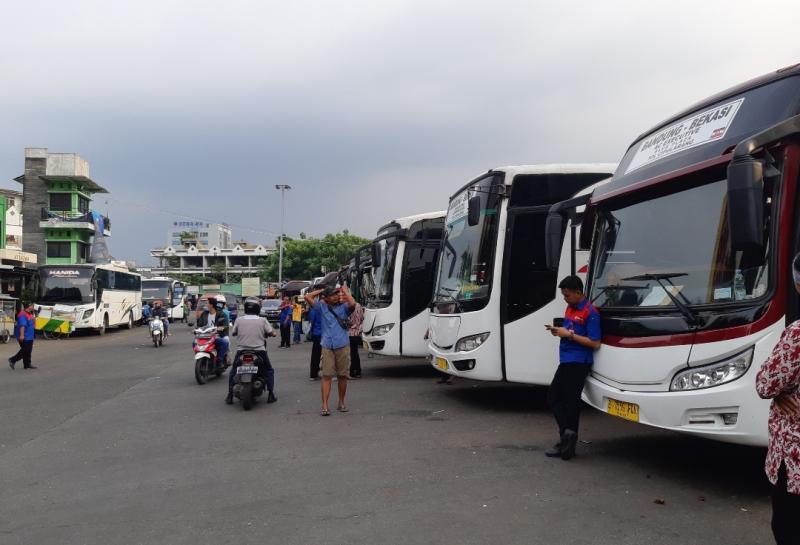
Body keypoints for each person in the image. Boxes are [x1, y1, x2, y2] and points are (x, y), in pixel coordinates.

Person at [756, 253, 800, 545]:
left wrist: (781, 391)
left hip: (794, 458)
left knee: (787, 528)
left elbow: (765, 383)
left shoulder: (797, 334)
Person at [544, 275, 601, 460]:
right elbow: (570, 332)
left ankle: (567, 442)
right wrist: (558, 332)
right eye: (563, 295)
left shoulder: (590, 312)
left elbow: (595, 342)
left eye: (567, 295)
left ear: (578, 293)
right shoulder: (570, 308)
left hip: (579, 362)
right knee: (557, 398)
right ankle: (567, 438)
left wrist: (568, 335)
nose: (565, 298)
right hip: (567, 359)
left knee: (566, 400)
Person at [305, 285, 356, 416]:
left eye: (336, 294)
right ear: (326, 298)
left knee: (342, 376)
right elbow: (307, 296)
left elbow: (353, 303)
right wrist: (322, 291)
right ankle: (325, 405)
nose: (336, 296)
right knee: (327, 376)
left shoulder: (344, 307)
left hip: (342, 344)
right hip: (327, 345)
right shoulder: (321, 307)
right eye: (332, 294)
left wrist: (345, 291)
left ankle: (341, 402)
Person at [227, 297, 277, 405]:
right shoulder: (262, 320)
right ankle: (271, 394)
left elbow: (234, 332)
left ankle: (230, 395)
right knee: (269, 370)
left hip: (242, 351)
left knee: (233, 371)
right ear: (258, 309)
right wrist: (272, 333)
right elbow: (272, 332)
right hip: (259, 351)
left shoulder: (239, 320)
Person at [200, 297, 230, 365]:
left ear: (211, 305)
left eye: (207, 303)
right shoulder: (204, 314)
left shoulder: (222, 314)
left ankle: (220, 359)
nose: (205, 305)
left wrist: (220, 328)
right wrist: (196, 329)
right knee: (194, 343)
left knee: (225, 342)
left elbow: (225, 325)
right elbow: (199, 324)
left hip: (217, 336)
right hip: (205, 336)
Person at [8, 301, 36, 370]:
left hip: (30, 336)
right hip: (25, 336)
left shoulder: (30, 314)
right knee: (24, 351)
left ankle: (27, 365)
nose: (33, 307)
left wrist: (34, 319)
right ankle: (12, 360)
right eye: (32, 305)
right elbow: (22, 326)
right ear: (28, 306)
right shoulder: (22, 314)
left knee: (28, 351)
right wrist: (22, 335)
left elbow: (33, 324)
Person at [348, 298, 364, 378]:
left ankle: (352, 371)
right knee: (355, 353)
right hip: (357, 332)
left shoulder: (346, 306)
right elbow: (362, 318)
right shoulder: (359, 305)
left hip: (349, 333)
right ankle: (357, 371)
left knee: (350, 354)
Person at [308, 303, 323, 380]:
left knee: (315, 355)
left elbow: (312, 320)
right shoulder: (329, 307)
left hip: (317, 333)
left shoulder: (315, 308)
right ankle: (329, 372)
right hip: (327, 334)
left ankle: (313, 374)